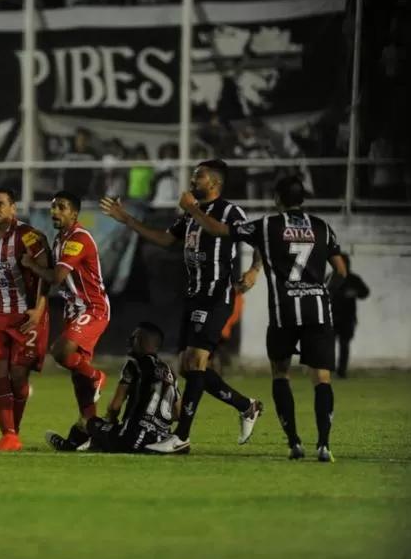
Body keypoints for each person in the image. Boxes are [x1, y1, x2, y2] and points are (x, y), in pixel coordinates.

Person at [179, 175, 347, 462]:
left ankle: (294, 442)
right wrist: (323, 294)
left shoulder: (268, 225)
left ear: (277, 199)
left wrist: (194, 210)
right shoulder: (322, 227)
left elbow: (221, 231)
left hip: (284, 314)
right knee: (321, 378)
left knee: (281, 374)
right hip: (317, 311)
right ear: (303, 199)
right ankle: (324, 445)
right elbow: (341, 272)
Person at [100, 160, 263, 455]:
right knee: (189, 369)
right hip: (193, 296)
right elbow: (165, 240)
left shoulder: (229, 211)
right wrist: (128, 221)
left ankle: (182, 436)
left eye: (198, 176)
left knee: (195, 364)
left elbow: (254, 236)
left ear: (214, 183)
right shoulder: (189, 215)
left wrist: (255, 269)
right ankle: (246, 406)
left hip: (216, 295)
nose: (192, 179)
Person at [0, 188, 51, 451]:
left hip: (27, 316)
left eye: (0, 204)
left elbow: (47, 273)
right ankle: (9, 434)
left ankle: (14, 426)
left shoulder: (30, 237)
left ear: (13, 207)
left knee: (18, 375)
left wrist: (39, 310)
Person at [20, 191, 109, 424]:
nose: (55, 212)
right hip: (74, 310)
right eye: (53, 207)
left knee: (61, 352)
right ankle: (88, 427)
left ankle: (97, 376)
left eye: (61, 207)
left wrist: (31, 264)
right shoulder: (60, 239)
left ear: (74, 213)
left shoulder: (79, 238)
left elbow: (57, 277)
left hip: (93, 308)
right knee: (78, 377)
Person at [45, 322, 181, 454]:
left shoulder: (133, 366)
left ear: (140, 341)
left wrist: (105, 424)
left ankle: (68, 446)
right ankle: (97, 443)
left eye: (134, 337)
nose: (130, 340)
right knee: (111, 430)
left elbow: (114, 407)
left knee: (87, 421)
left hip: (130, 440)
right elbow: (178, 413)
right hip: (158, 442)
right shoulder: (170, 373)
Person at [331, 253, 369, 378]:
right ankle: (329, 369)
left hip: (347, 318)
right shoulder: (331, 278)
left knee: (344, 345)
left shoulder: (354, 279)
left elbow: (365, 292)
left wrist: (355, 292)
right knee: (329, 345)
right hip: (332, 317)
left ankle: (341, 371)